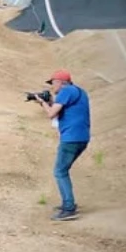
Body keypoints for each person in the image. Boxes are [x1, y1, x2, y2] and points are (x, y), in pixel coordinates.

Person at [35, 69, 90, 221]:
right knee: (63, 170)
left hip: (71, 138)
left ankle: (69, 208)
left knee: (60, 172)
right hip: (82, 138)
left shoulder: (65, 92)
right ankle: (69, 203)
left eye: (53, 83)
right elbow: (64, 110)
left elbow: (51, 114)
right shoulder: (80, 91)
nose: (52, 88)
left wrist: (43, 102)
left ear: (59, 82)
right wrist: (49, 103)